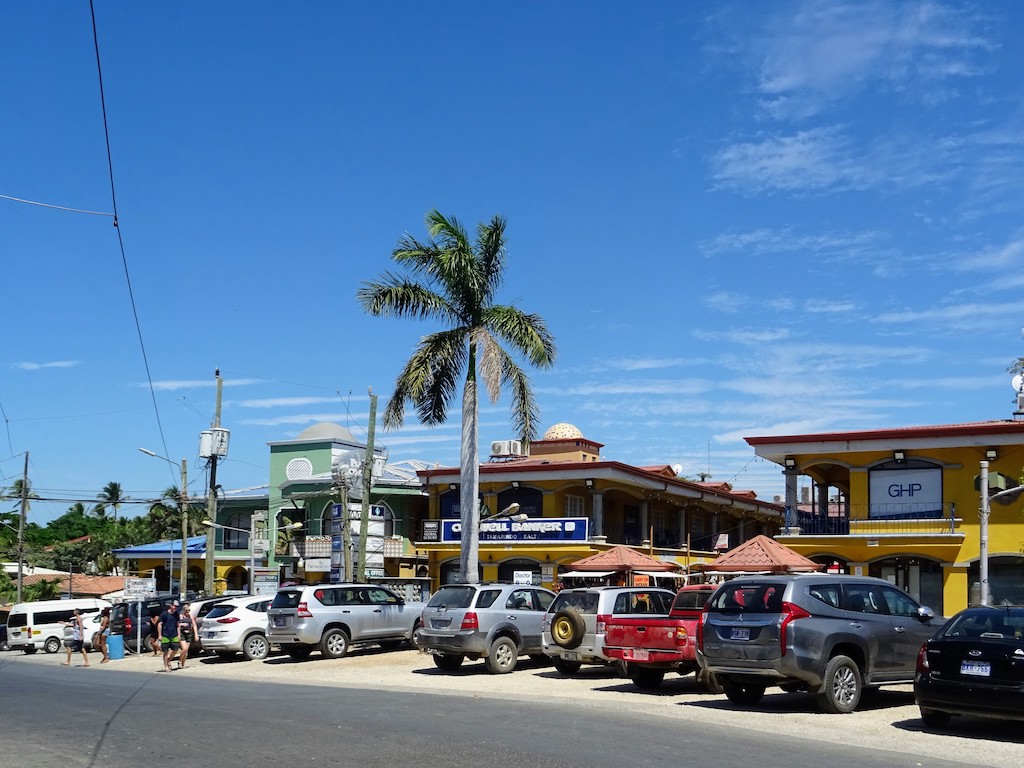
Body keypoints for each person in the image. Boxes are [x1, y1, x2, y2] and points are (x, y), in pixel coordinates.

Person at [157, 600, 180, 672]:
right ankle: (166, 666)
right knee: (166, 651)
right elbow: (160, 624)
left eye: (176, 606)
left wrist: (179, 634)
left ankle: (168, 660)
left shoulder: (176, 614)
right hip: (165, 635)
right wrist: (160, 635)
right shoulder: (164, 614)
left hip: (174, 634)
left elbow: (178, 624)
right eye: (174, 606)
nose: (175, 608)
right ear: (171, 606)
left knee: (175, 649)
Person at [177, 603, 198, 669]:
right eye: (187, 610)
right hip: (182, 633)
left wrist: (196, 634)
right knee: (184, 648)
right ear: (184, 610)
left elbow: (194, 625)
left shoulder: (190, 616)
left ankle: (183, 664)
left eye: (189, 610)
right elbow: (178, 626)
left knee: (186, 651)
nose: (188, 611)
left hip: (189, 633)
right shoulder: (181, 616)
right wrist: (178, 634)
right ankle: (180, 661)